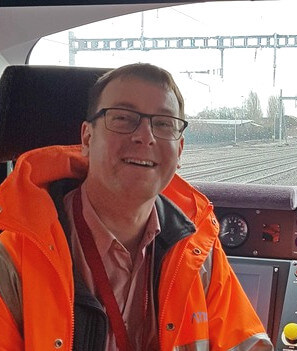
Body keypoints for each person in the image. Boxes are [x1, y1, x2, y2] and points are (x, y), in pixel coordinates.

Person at [0, 63, 273, 351]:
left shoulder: (197, 246)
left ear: (179, 151)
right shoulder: (15, 252)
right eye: (122, 118)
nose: (146, 135)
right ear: (87, 138)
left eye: (164, 123)